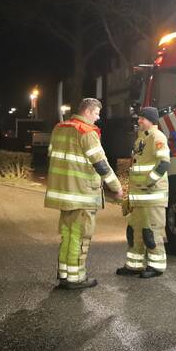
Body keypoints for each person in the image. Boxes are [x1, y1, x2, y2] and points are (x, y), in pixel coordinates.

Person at [44, 97, 124, 289]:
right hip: (82, 193)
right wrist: (117, 187)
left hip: (64, 193)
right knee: (80, 236)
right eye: (96, 113)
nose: (97, 118)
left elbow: (51, 154)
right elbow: (101, 164)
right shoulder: (86, 132)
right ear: (88, 111)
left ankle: (64, 274)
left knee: (68, 234)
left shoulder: (59, 128)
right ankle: (76, 277)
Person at [117, 107, 171, 279]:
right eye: (139, 117)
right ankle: (134, 265)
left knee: (151, 232)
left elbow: (164, 163)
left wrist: (148, 182)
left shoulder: (157, 137)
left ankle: (156, 266)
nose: (139, 121)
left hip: (152, 195)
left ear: (151, 120)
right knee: (135, 232)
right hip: (139, 196)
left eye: (142, 118)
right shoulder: (142, 138)